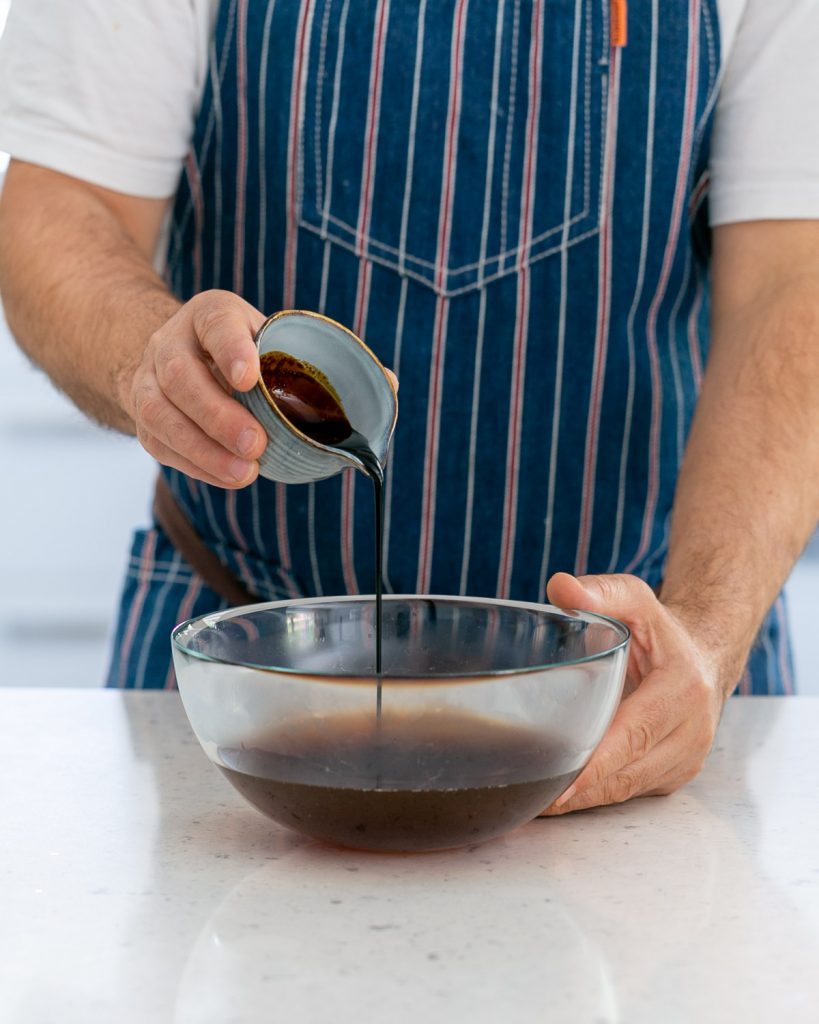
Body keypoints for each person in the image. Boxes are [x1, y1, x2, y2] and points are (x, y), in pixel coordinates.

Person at [0, 0, 817, 814]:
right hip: (239, 672)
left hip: (638, 674)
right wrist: (150, 356)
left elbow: (792, 282)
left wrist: (705, 635)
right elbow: (60, 204)